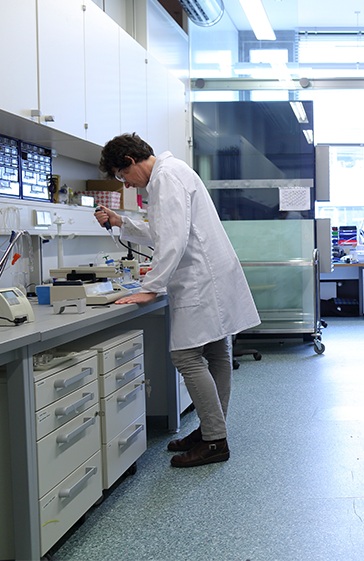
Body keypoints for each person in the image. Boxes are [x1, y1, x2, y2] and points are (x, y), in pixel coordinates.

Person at [94, 133, 260, 468]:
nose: (125, 184)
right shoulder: (170, 174)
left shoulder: (165, 177)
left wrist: (151, 286)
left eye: (122, 175)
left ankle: (215, 440)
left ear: (129, 161)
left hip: (201, 277)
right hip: (208, 273)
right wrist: (121, 222)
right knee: (215, 351)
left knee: (185, 355)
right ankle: (212, 430)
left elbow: (172, 240)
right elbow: (164, 229)